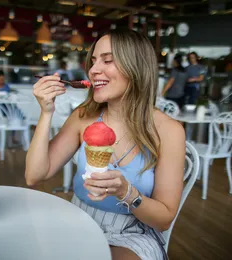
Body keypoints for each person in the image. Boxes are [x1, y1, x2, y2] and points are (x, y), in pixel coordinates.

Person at [26, 29, 185, 260]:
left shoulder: (169, 131)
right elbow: (34, 175)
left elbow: (163, 220)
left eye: (107, 60)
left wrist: (126, 191)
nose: (93, 70)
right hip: (78, 220)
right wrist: (46, 113)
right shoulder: (84, 116)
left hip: (133, 233)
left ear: (136, 67)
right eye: (93, 61)